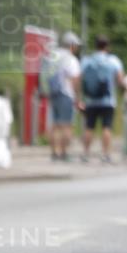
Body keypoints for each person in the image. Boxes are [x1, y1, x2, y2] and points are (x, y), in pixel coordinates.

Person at [79, 34, 124, 163]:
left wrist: (79, 96)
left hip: (90, 100)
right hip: (108, 100)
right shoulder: (113, 60)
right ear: (107, 46)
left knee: (89, 127)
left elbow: (79, 78)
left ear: (96, 45)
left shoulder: (87, 60)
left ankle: (85, 154)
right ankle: (105, 154)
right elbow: (120, 80)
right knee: (106, 127)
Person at [47, 31, 81, 161]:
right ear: (71, 45)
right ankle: (64, 153)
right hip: (66, 94)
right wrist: (77, 97)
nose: (77, 48)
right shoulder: (71, 59)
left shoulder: (52, 56)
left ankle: (54, 153)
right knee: (66, 125)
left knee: (55, 125)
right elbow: (75, 79)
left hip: (53, 93)